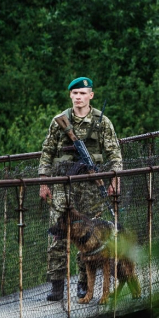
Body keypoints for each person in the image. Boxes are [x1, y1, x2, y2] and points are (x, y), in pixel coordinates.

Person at [39, 76, 123, 301]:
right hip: (62, 184)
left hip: (88, 186)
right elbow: (47, 151)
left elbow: (114, 151)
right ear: (70, 96)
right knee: (57, 234)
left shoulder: (101, 122)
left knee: (88, 236)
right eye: (75, 93)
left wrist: (116, 178)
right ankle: (56, 286)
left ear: (91, 96)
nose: (78, 97)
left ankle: (83, 284)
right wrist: (43, 180)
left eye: (83, 93)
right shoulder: (60, 120)